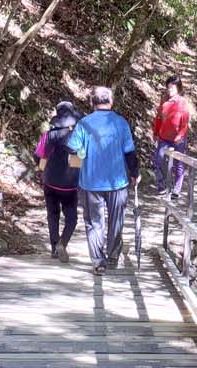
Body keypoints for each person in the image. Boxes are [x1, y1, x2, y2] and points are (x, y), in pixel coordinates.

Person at [66, 85, 137, 275]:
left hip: (90, 182)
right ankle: (113, 256)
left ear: (92, 103)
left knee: (94, 223)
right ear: (111, 102)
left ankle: (98, 262)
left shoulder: (84, 124)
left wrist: (82, 150)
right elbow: (129, 151)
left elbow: (72, 148)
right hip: (117, 182)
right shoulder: (121, 123)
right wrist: (134, 172)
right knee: (116, 220)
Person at [34, 100, 81, 260]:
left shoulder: (48, 136)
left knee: (52, 215)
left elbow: (38, 156)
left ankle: (54, 248)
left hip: (50, 182)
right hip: (70, 185)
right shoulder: (77, 136)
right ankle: (63, 243)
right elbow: (83, 157)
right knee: (72, 218)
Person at [152, 73, 191, 199]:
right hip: (164, 137)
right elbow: (158, 118)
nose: (170, 90)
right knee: (157, 161)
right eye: (168, 88)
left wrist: (181, 135)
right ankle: (161, 186)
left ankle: (177, 190)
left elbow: (185, 121)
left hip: (178, 138)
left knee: (178, 164)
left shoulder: (182, 102)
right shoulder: (164, 101)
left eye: (172, 88)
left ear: (178, 88)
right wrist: (155, 133)